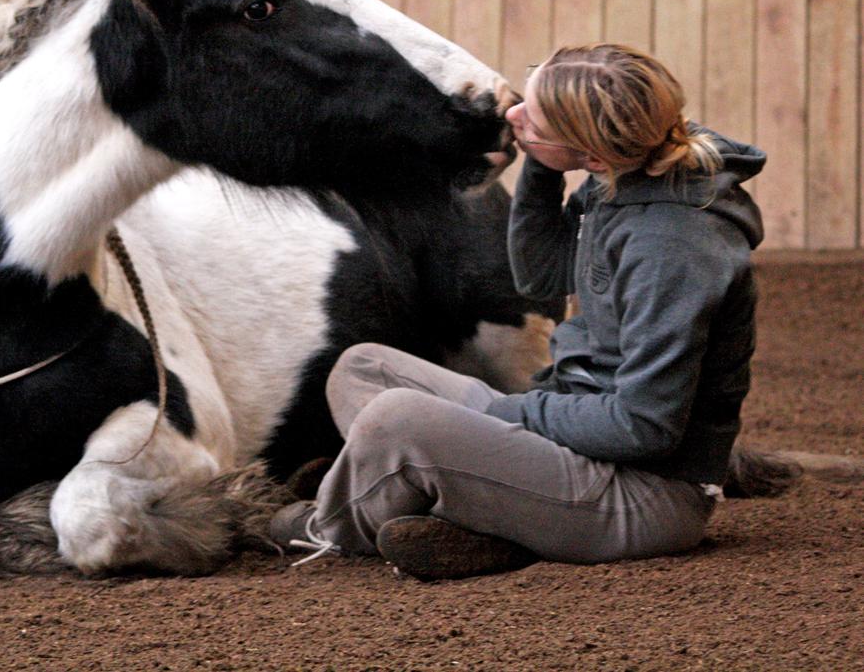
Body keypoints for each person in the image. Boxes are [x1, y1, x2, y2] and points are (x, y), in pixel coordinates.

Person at [269, 43, 766, 580]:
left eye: (535, 120)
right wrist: (543, 165)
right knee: (365, 368)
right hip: (577, 438)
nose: (512, 117)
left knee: (398, 419)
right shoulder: (627, 173)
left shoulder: (671, 246)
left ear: (594, 156)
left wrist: (501, 416)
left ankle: (331, 528)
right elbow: (543, 276)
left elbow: (643, 428)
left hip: (641, 494)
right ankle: (499, 523)